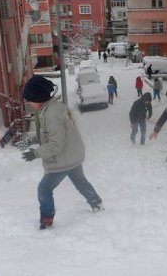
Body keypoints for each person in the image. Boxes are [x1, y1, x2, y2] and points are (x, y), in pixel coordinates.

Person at [21, 75, 103, 230]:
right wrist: (32, 140)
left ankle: (46, 220)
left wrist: (35, 153)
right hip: (72, 155)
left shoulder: (51, 114)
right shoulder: (50, 108)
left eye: (30, 99)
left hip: (63, 158)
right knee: (80, 182)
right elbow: (48, 133)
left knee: (44, 189)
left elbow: (56, 144)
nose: (29, 103)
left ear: (38, 97)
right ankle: (97, 204)